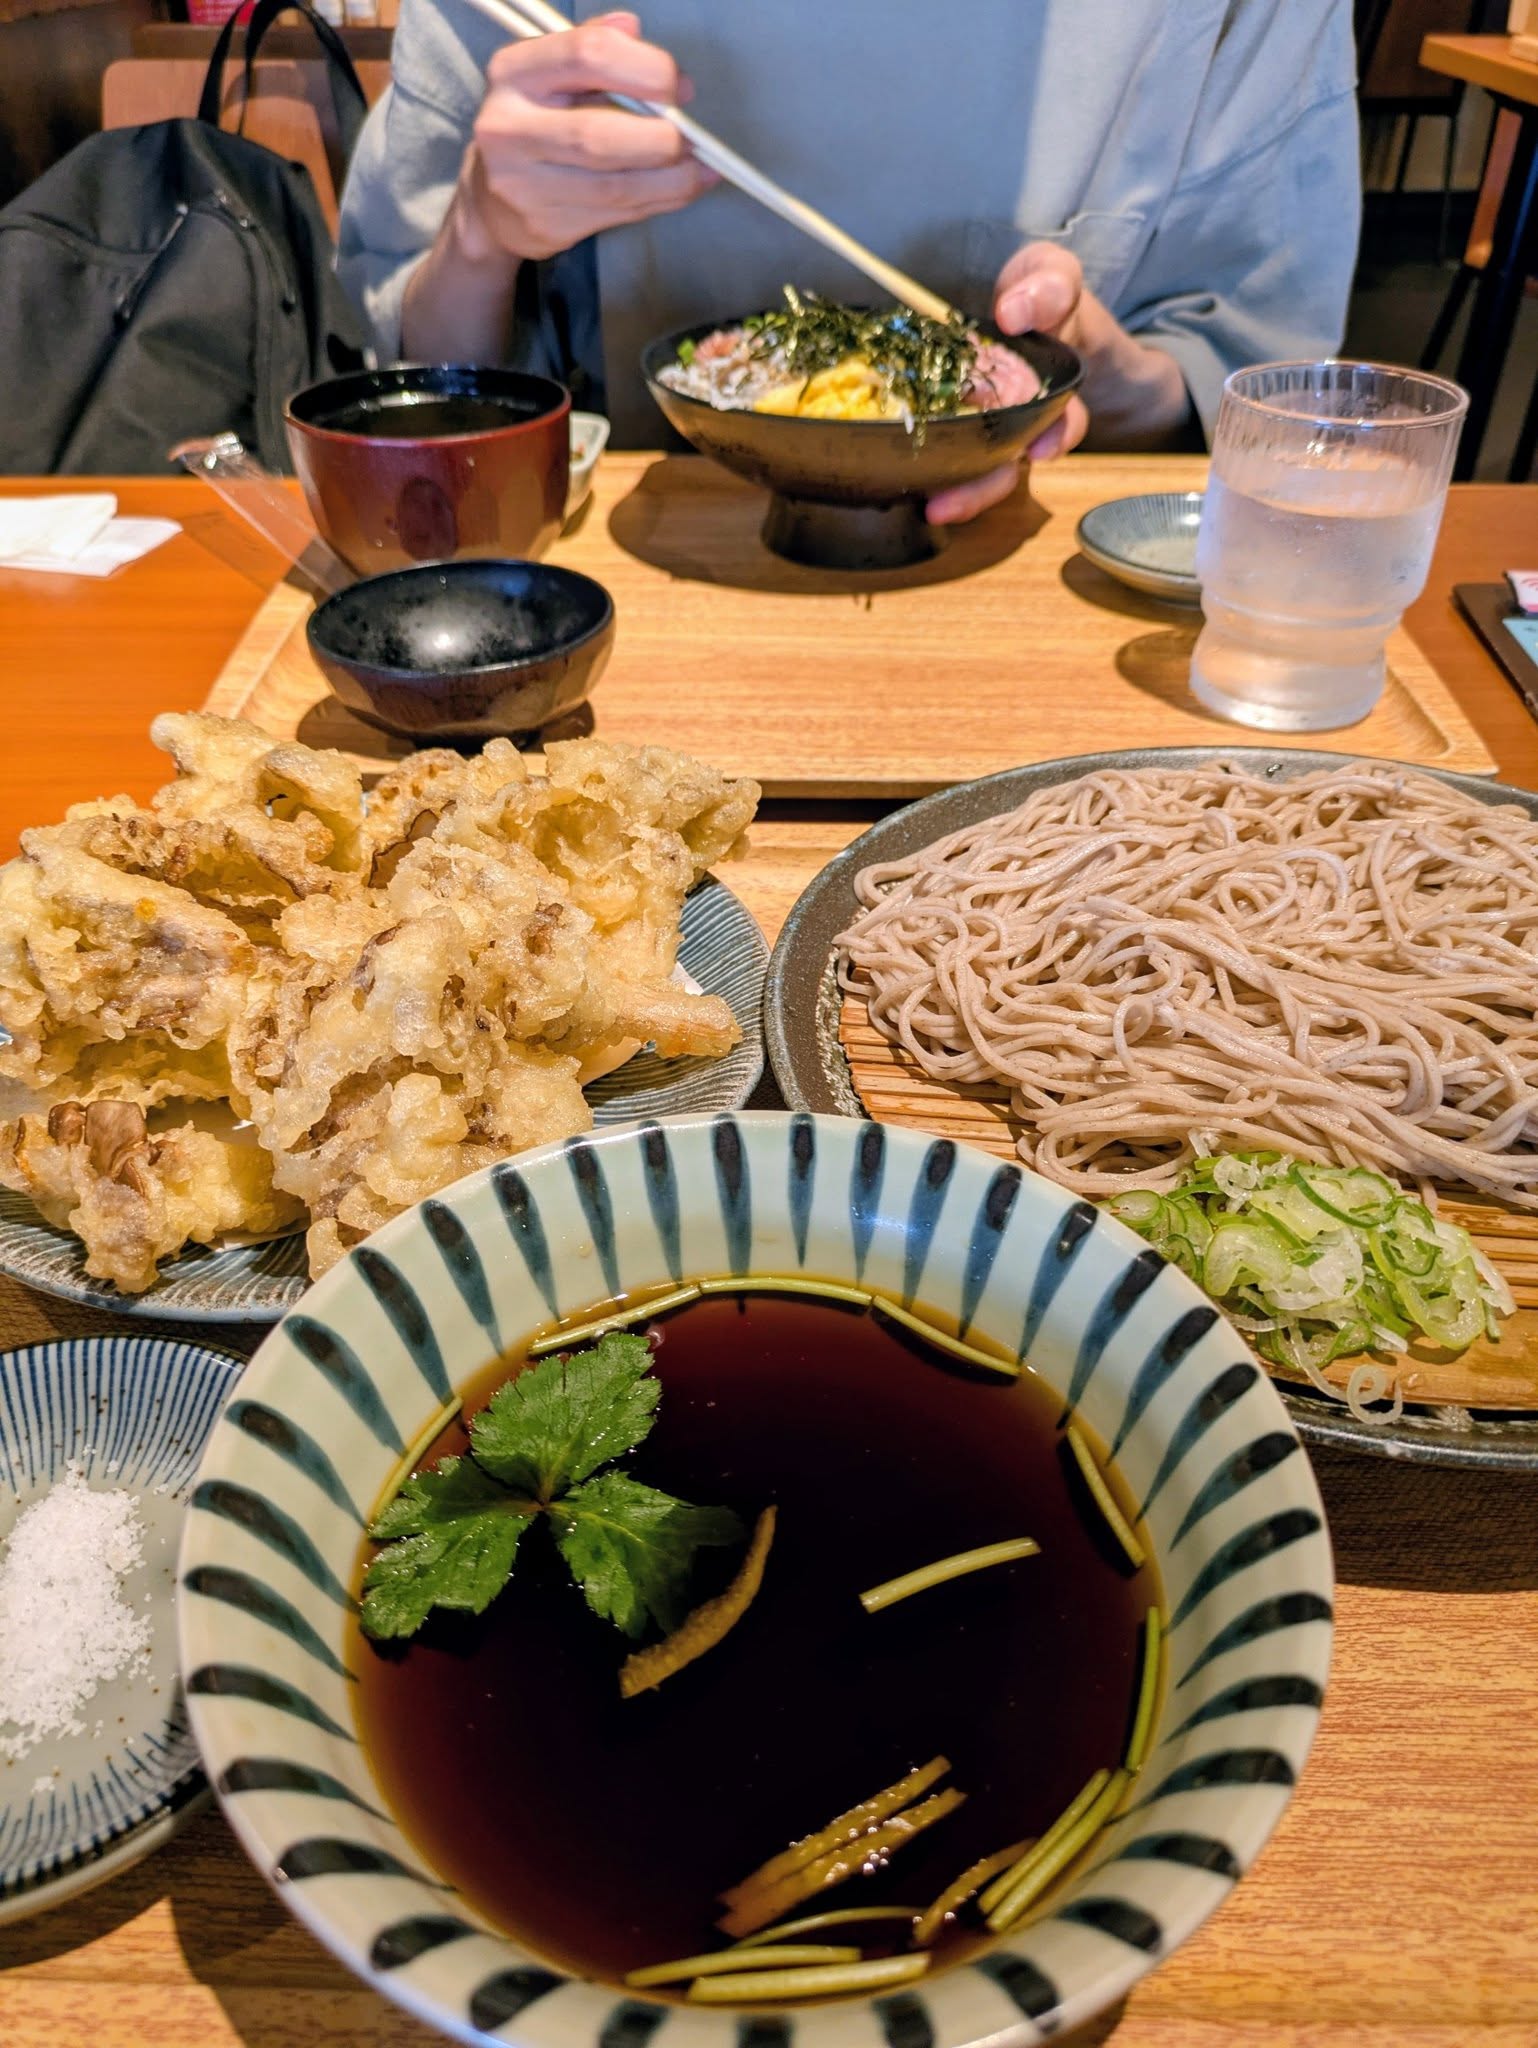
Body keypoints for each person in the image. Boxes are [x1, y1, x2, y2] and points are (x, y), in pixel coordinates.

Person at [337, 0, 1360, 523]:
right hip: (615, 559)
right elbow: (408, 380)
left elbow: (1253, 392)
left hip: (1045, 579)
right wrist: (480, 237)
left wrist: (1100, 377)